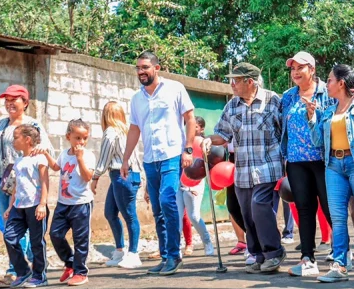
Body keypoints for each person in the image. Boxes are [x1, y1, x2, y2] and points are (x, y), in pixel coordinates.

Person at [202, 62, 286, 274]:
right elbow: (222, 135)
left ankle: (274, 252)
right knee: (247, 214)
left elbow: (285, 131)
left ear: (250, 81)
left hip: (268, 166)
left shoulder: (273, 101)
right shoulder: (231, 106)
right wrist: (208, 141)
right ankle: (257, 255)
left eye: (236, 80)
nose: (232, 84)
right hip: (243, 171)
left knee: (260, 207)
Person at [121, 51, 196, 276]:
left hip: (172, 155)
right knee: (157, 209)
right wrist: (125, 158)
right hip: (150, 160)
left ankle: (174, 255)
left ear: (157, 68)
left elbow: (190, 118)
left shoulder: (175, 88)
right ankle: (165, 257)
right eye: (138, 68)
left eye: (145, 67)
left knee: (167, 200)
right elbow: (135, 129)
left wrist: (188, 148)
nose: (141, 72)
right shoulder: (137, 98)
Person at [308, 64, 354, 282]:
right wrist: (312, 118)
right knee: (338, 217)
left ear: (341, 83)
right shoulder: (329, 110)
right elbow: (317, 142)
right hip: (333, 166)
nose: (327, 84)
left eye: (330, 80)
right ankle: (339, 265)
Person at [0, 84, 54, 288]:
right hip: (0, 177)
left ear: (25, 103)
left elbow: (46, 148)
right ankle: (26, 266)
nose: (9, 103)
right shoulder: (1, 123)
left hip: (22, 181)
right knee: (9, 225)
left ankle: (16, 270)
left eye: (14, 99)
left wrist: (41, 150)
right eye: (6, 99)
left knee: (21, 228)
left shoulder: (32, 124)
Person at [280, 51, 336, 277]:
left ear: (312, 70)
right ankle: (307, 259)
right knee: (304, 209)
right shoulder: (288, 96)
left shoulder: (327, 93)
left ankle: (341, 253)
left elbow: (342, 110)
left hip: (323, 160)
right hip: (296, 162)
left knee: (330, 207)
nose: (295, 72)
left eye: (300, 68)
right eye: (292, 69)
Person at [38, 119, 96, 286]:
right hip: (64, 203)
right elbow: (56, 167)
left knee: (81, 239)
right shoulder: (64, 154)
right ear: (68, 137)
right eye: (77, 138)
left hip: (81, 204)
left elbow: (87, 177)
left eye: (84, 138)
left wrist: (80, 159)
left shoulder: (88, 155)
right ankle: (70, 262)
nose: (81, 142)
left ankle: (81, 272)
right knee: (55, 234)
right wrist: (46, 155)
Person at [93, 101, 143, 269]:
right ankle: (120, 250)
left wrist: (95, 177)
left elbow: (104, 158)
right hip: (128, 175)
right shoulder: (128, 131)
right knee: (110, 212)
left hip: (121, 175)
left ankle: (133, 253)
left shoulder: (110, 132)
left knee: (129, 215)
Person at [2, 124, 50, 288]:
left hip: (35, 205)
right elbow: (17, 184)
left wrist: (42, 204)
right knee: (9, 237)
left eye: (16, 138)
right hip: (18, 206)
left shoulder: (40, 158)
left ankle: (40, 276)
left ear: (27, 140)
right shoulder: (19, 160)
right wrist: (10, 206)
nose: (13, 141)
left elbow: (45, 182)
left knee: (37, 242)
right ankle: (23, 271)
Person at [178, 117, 215, 257]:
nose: (191, 129)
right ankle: (175, 249)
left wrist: (195, 184)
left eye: (195, 126)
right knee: (177, 216)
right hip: (178, 182)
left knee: (193, 216)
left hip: (194, 184)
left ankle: (207, 242)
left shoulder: (201, 143)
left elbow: (204, 167)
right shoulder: (181, 141)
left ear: (201, 129)